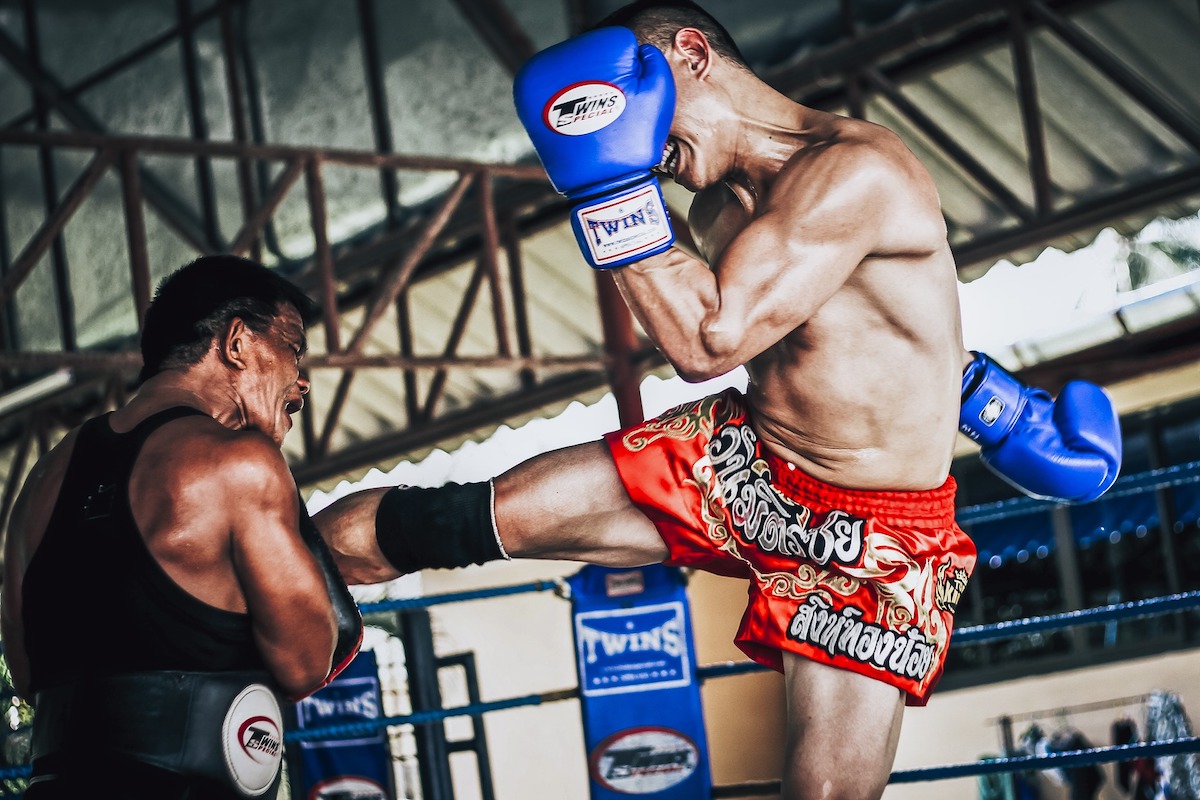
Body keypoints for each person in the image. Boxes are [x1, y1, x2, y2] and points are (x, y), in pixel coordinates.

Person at [315, 3, 1122, 798]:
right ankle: (231, 598)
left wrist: (605, 186)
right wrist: (981, 395)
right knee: (458, 520)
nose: (640, 142)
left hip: (874, 529)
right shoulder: (713, 207)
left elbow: (709, 339)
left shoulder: (856, 169)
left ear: (692, 54)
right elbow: (844, 325)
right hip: (743, 460)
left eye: (627, 108)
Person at [1, 255, 362, 800]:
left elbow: (28, 675)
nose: (300, 381)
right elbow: (306, 661)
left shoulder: (42, 478)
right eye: (292, 349)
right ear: (236, 343)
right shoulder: (240, 464)